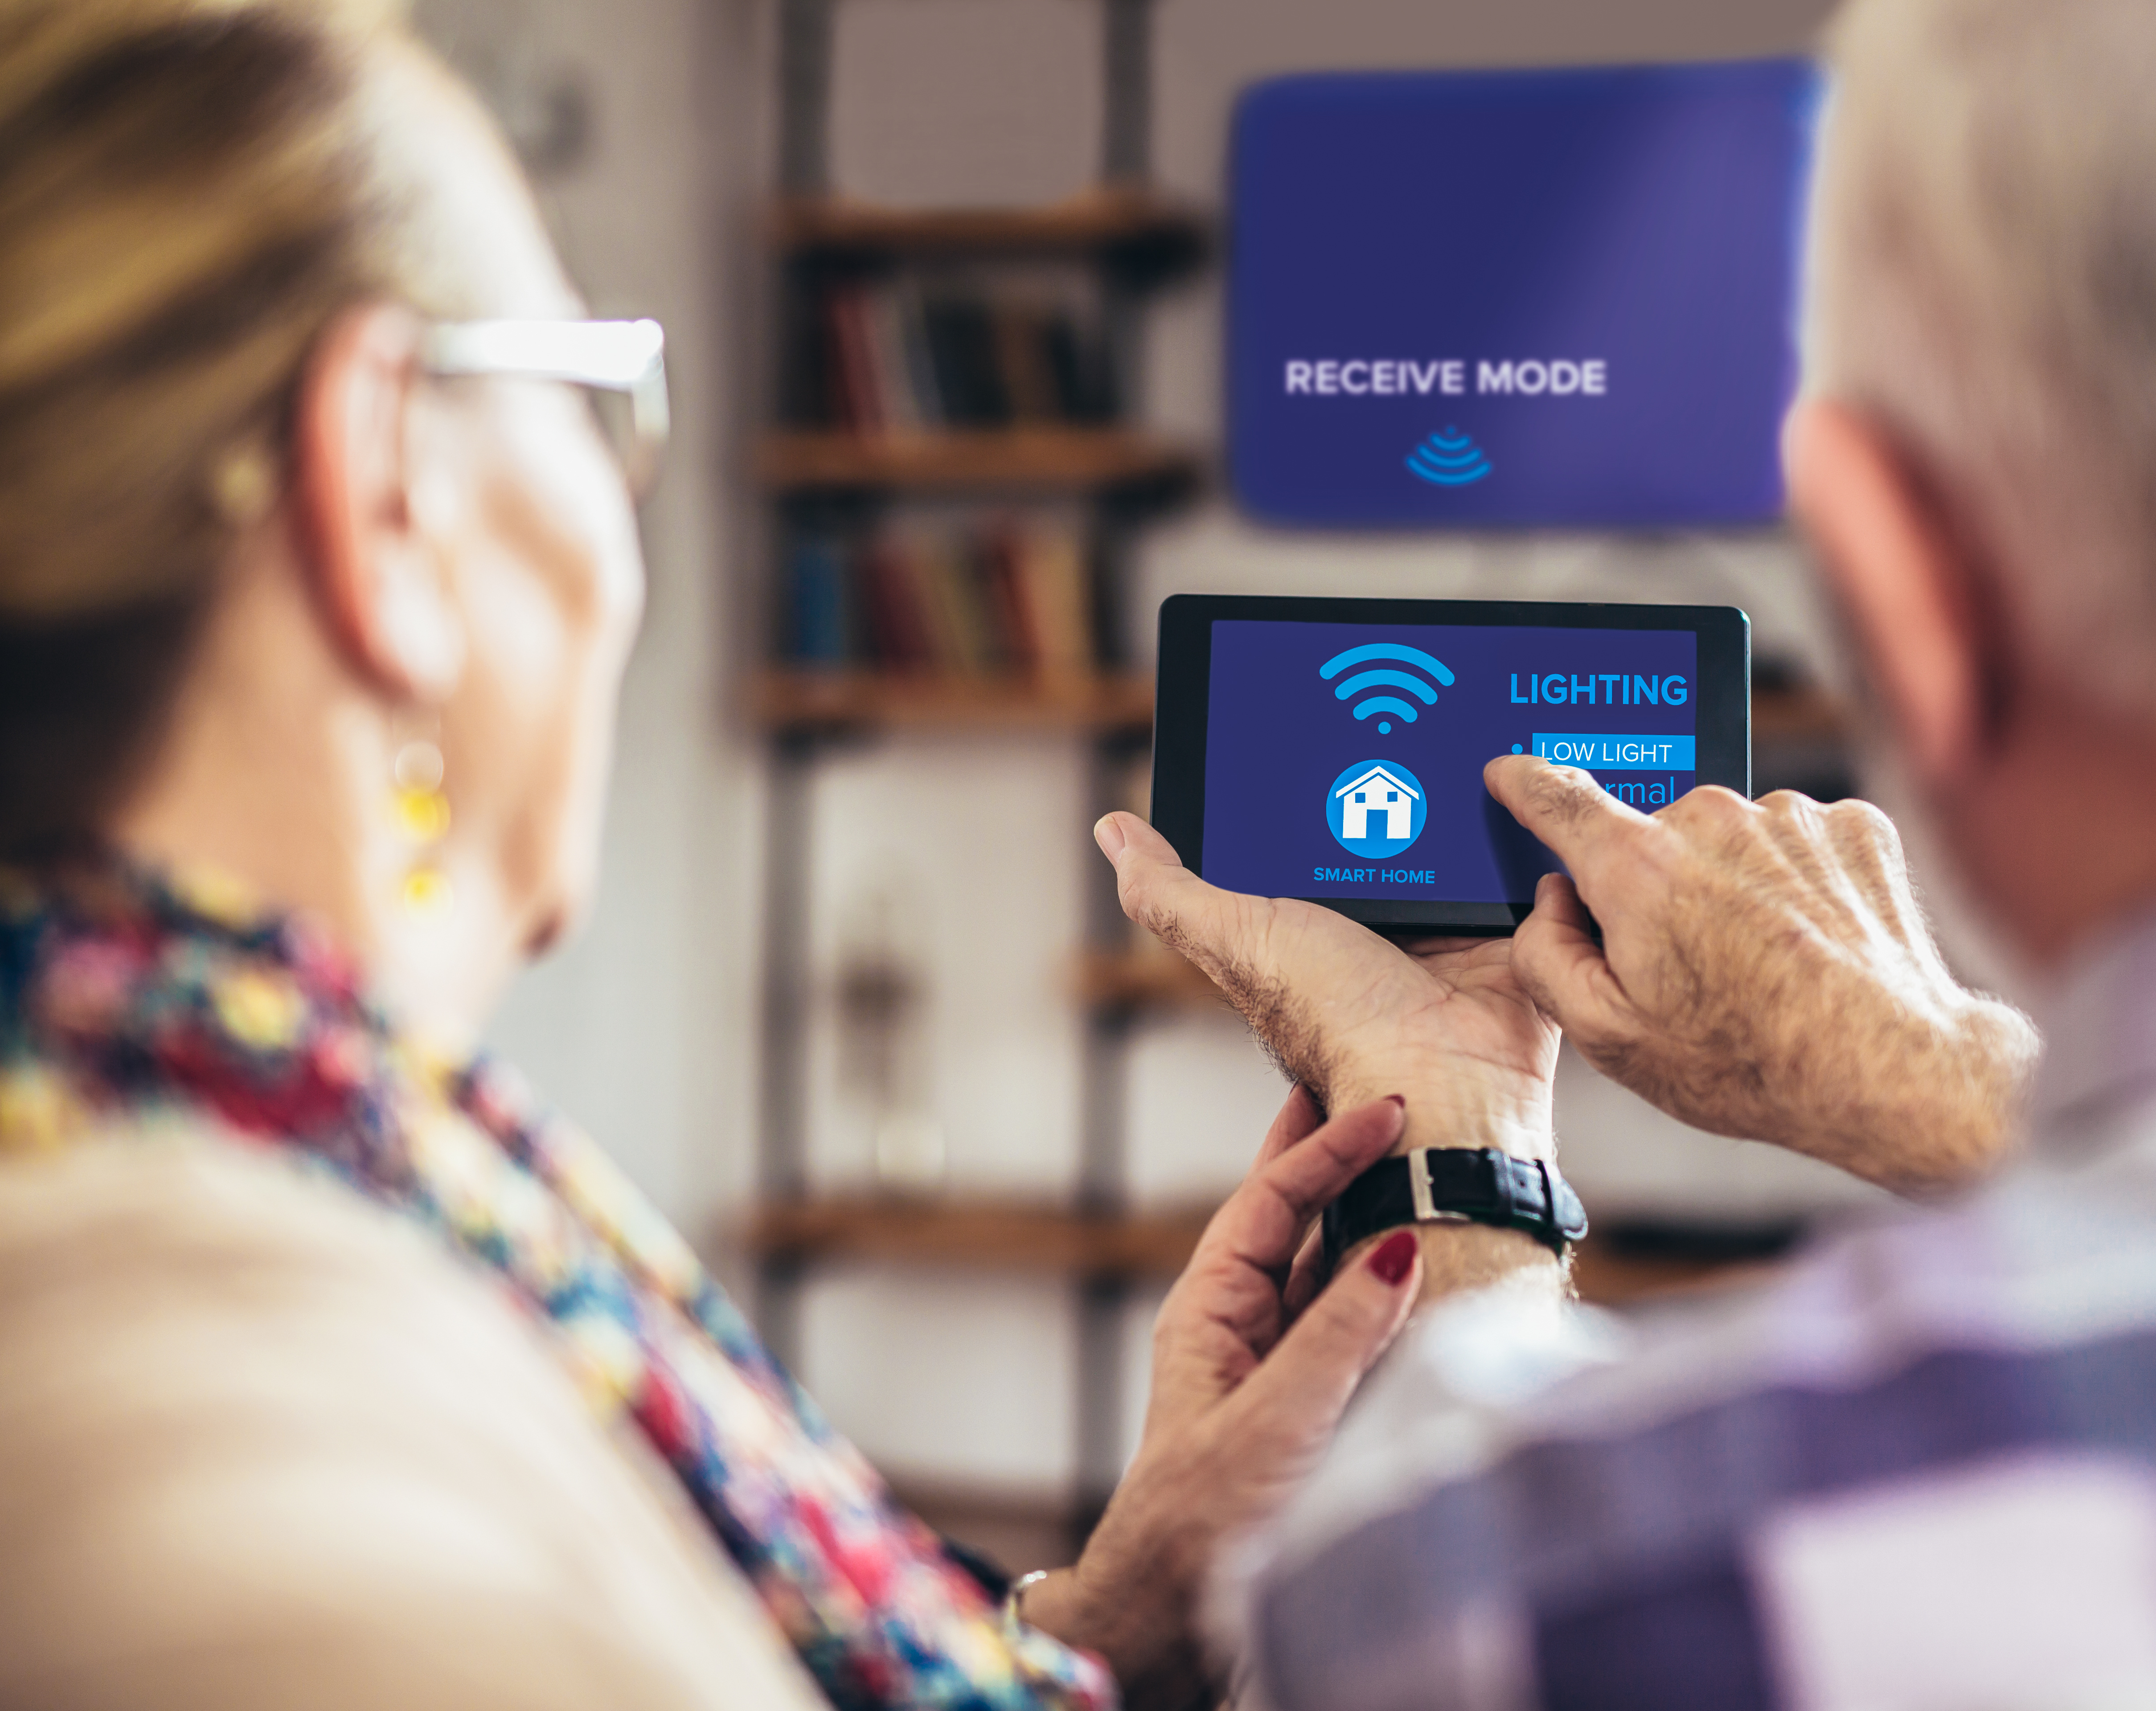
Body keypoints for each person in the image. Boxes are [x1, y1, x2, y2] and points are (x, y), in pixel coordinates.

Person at [1095, 0, 2156, 1703]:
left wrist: (1461, 1146)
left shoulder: (1567, 1566)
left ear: (1902, 592)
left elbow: (1468, 1573)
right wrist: (1933, 1081)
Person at [0, 5, 1427, 1708]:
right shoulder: (219, 1348)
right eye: (603, 404)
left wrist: (1125, 1608)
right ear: (389, 493)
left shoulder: (211, 1136)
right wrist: (1475, 1170)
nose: (630, 528)